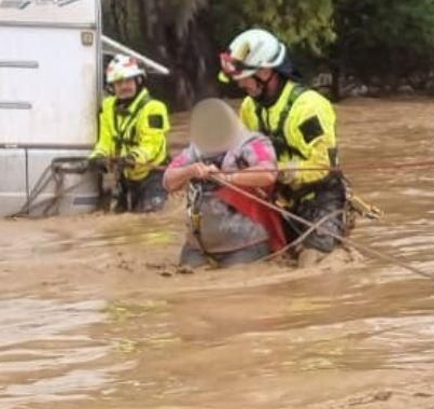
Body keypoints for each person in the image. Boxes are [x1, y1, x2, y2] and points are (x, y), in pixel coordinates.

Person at [219, 27, 348, 253]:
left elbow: (323, 166)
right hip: (276, 197)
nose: (240, 85)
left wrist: (277, 171)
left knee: (315, 258)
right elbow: (244, 151)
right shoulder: (249, 107)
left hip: (320, 197)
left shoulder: (309, 107)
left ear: (266, 71)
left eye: (244, 78)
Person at [163, 98, 287, 268]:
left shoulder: (253, 142)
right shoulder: (195, 149)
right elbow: (168, 181)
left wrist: (227, 178)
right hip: (198, 246)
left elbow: (268, 173)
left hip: (245, 243)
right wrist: (190, 170)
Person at [91, 55, 170, 212]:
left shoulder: (154, 108)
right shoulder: (107, 107)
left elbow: (151, 145)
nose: (124, 86)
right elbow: (105, 140)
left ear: (138, 81)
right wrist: (98, 157)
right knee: (117, 216)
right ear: (112, 86)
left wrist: (133, 158)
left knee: (151, 217)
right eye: (118, 82)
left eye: (128, 81)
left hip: (153, 175)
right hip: (125, 176)